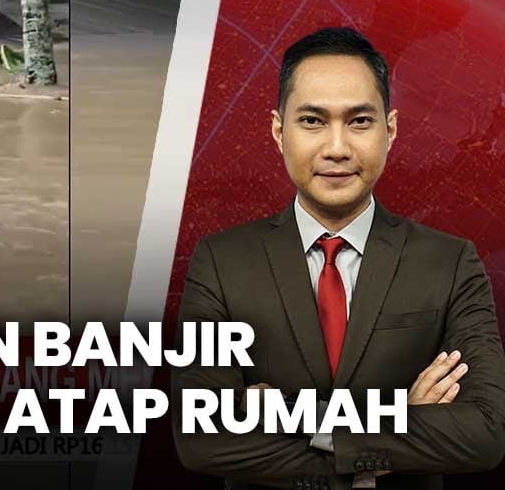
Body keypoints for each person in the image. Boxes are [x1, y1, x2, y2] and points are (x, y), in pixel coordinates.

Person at [172, 27, 505, 490]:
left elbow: (484, 432)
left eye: (359, 121)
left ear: (389, 129)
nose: (336, 148)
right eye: (312, 121)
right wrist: (392, 431)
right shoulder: (221, 262)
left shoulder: (450, 263)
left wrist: (290, 415)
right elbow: (198, 435)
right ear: (277, 130)